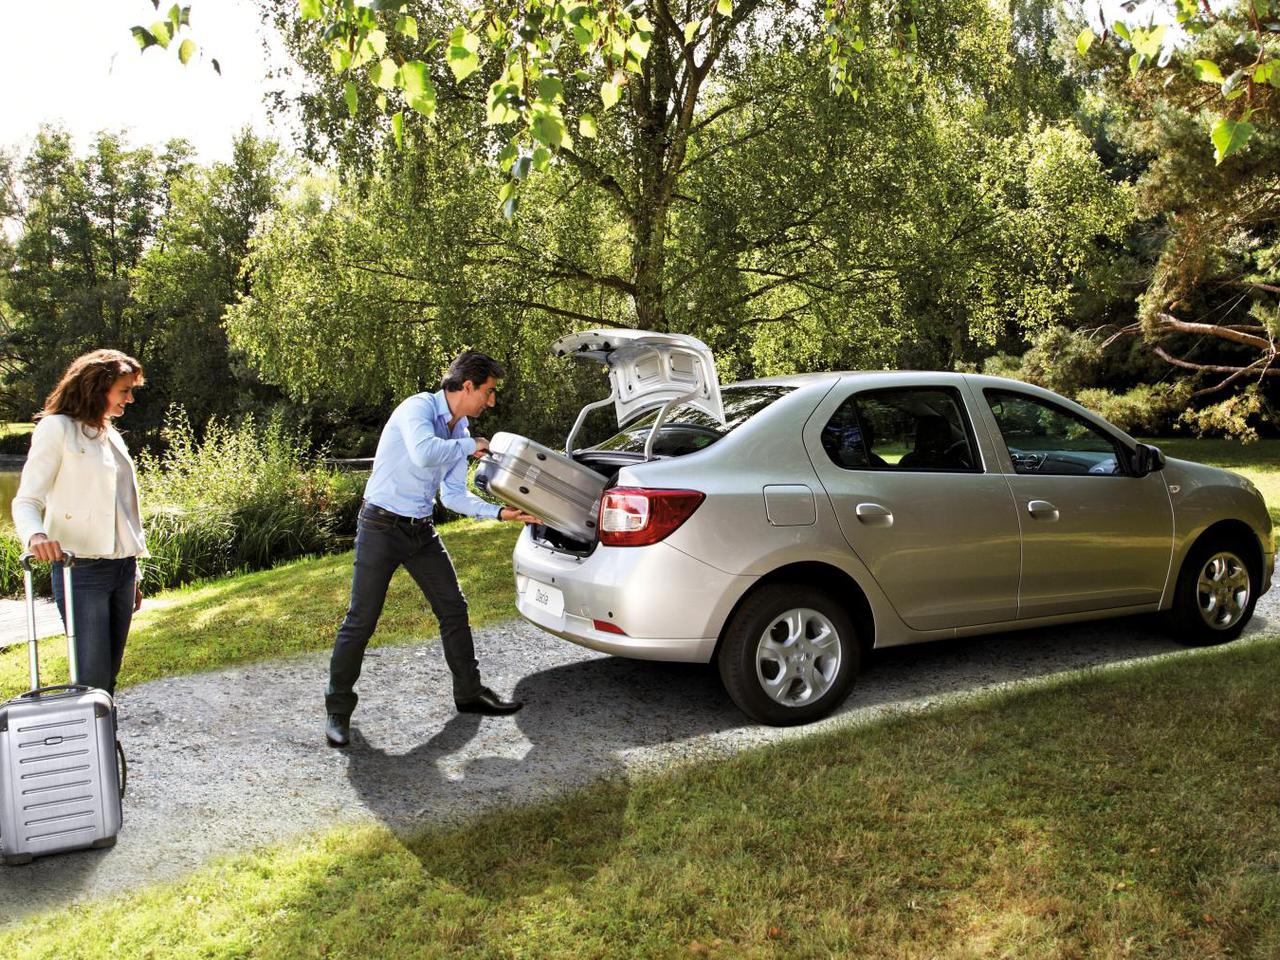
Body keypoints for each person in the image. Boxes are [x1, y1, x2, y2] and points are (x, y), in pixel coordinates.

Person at [324, 350, 537, 747]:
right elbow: (424, 452)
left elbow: (453, 495)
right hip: (380, 527)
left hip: (420, 532)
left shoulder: (460, 433)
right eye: (488, 392)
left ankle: (469, 693)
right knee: (361, 620)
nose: (491, 401)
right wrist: (470, 445)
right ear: (468, 385)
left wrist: (498, 514)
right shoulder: (417, 409)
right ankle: (337, 711)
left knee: (453, 608)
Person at [11, 349, 148, 697]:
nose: (130, 399)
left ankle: (103, 745)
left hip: (121, 569)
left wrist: (134, 575)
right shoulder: (56, 429)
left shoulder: (110, 435)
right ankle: (89, 748)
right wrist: (36, 535)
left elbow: (123, 509)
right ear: (97, 388)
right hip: (81, 570)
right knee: (92, 677)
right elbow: (27, 499)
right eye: (124, 390)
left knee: (110, 675)